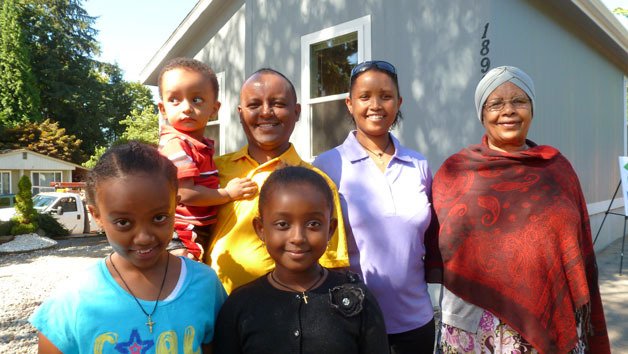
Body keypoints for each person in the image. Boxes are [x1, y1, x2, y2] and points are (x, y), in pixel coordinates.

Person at [431, 66, 611, 353]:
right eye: (496, 103)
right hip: (474, 327)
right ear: (482, 113)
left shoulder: (557, 169)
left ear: (532, 109)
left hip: (550, 319)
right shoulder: (455, 171)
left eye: (519, 101)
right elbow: (437, 244)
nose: (508, 111)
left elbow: (578, 245)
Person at [29, 142, 227, 353]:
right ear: (97, 216)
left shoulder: (205, 285)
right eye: (123, 222)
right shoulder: (74, 299)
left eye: (159, 217)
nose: (143, 238)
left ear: (175, 206)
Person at [314, 60, 438, 354]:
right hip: (352, 319)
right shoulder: (327, 166)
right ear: (349, 103)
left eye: (385, 96)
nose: (376, 105)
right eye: (365, 96)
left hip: (417, 321)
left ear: (399, 102)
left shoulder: (418, 164)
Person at [214, 166, 389, 354]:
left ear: (330, 230)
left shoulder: (358, 299)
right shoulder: (240, 306)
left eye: (313, 224)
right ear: (261, 229)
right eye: (283, 224)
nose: (297, 237)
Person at [208, 68, 349, 293]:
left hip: (283, 315)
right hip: (214, 307)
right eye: (254, 105)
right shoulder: (215, 171)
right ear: (240, 113)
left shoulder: (317, 184)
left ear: (297, 112)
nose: (266, 112)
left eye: (278, 104)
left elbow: (332, 265)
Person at [158, 57, 257, 261]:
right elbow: (185, 193)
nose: (186, 107)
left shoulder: (197, 145)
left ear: (214, 109)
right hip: (182, 231)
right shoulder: (176, 145)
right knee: (188, 278)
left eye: (196, 100)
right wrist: (227, 193)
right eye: (174, 99)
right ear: (162, 109)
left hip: (195, 227)